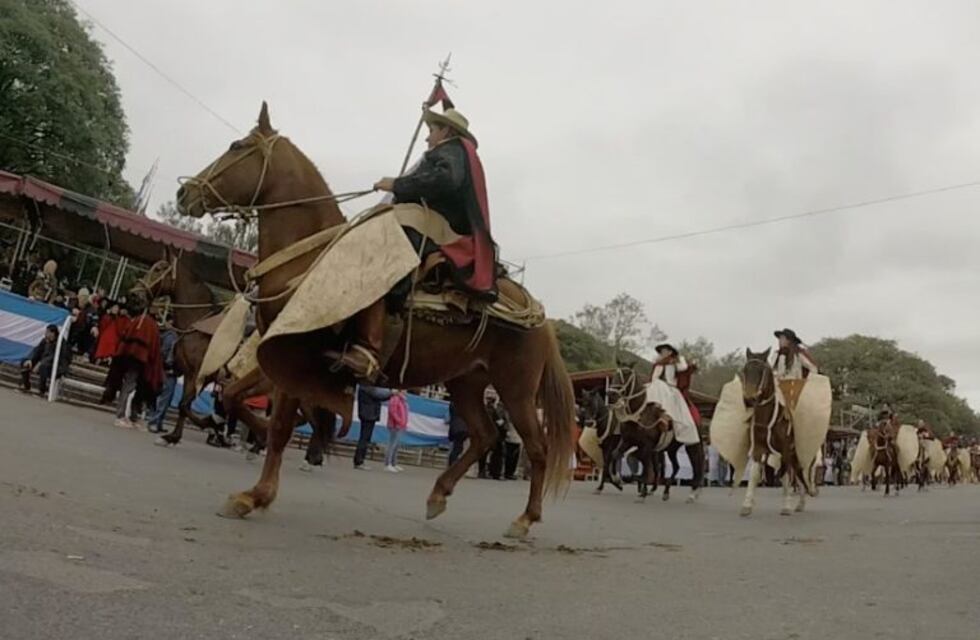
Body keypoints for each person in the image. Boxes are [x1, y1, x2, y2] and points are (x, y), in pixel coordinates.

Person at [328, 107, 496, 381]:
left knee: (381, 260)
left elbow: (445, 180)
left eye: (432, 130)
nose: (428, 138)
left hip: (435, 231)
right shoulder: (456, 153)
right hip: (429, 225)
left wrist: (397, 184)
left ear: (447, 132)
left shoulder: (452, 150)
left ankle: (369, 346)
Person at [102, 306, 163, 430]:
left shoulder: (142, 321)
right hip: (137, 360)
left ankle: (133, 416)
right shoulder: (146, 323)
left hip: (134, 358)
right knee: (130, 386)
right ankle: (121, 415)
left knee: (137, 388)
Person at [644, 344, 701, 446]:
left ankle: (665, 416)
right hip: (656, 388)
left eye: (664, 351)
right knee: (647, 388)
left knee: (659, 385)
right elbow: (653, 379)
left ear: (670, 352)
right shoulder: (658, 364)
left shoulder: (676, 362)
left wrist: (679, 360)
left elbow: (684, 368)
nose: (662, 353)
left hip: (670, 389)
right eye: (661, 351)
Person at [146, 316, 179, 434]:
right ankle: (154, 421)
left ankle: (158, 422)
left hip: (169, 371)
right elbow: (165, 353)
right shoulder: (171, 337)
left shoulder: (169, 335)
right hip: (167, 370)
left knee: (165, 399)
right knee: (163, 398)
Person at [20, 324, 69, 395]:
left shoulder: (60, 343)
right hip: (42, 362)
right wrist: (30, 359)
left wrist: (40, 363)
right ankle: (26, 386)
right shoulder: (44, 341)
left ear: (53, 333)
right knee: (24, 362)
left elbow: (54, 356)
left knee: (43, 367)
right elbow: (37, 350)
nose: (46, 334)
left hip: (54, 366)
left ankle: (42, 391)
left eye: (47, 332)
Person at [353, 385, 392, 469]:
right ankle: (359, 461)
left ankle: (359, 460)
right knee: (364, 438)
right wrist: (392, 393)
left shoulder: (365, 387)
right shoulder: (367, 387)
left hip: (368, 413)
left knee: (365, 438)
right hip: (369, 414)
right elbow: (379, 394)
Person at [385, 390, 409, 473]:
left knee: (396, 445)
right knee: (392, 444)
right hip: (395, 425)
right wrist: (399, 421)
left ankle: (394, 463)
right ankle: (388, 463)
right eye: (404, 390)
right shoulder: (395, 399)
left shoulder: (403, 400)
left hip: (400, 425)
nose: (405, 392)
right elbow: (393, 412)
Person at [446, 403, 469, 467]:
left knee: (456, 447)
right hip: (461, 428)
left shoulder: (453, 405)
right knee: (457, 448)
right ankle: (452, 464)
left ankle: (452, 464)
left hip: (456, 428)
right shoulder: (464, 405)